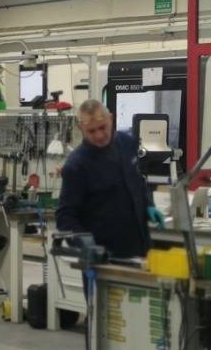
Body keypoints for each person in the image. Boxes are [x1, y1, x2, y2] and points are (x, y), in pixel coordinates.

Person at [55, 99, 152, 258]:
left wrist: (149, 204)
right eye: (91, 131)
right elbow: (65, 217)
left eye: (102, 127)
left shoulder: (127, 143)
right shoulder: (76, 165)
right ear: (81, 128)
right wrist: (85, 244)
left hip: (141, 249)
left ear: (111, 119)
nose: (99, 135)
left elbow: (138, 181)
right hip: (104, 256)